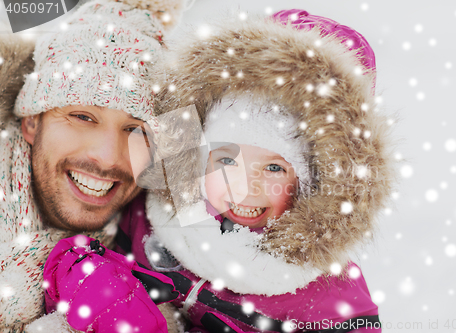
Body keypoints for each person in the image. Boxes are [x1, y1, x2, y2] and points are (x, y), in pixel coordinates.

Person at [115, 9, 395, 332]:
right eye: (226, 160)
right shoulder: (154, 218)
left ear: (315, 185)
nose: (243, 188)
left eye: (274, 168)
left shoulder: (328, 301)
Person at [0, 0, 191, 330]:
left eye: (136, 130)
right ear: (32, 122)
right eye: (82, 116)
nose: (107, 156)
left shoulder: (168, 259)